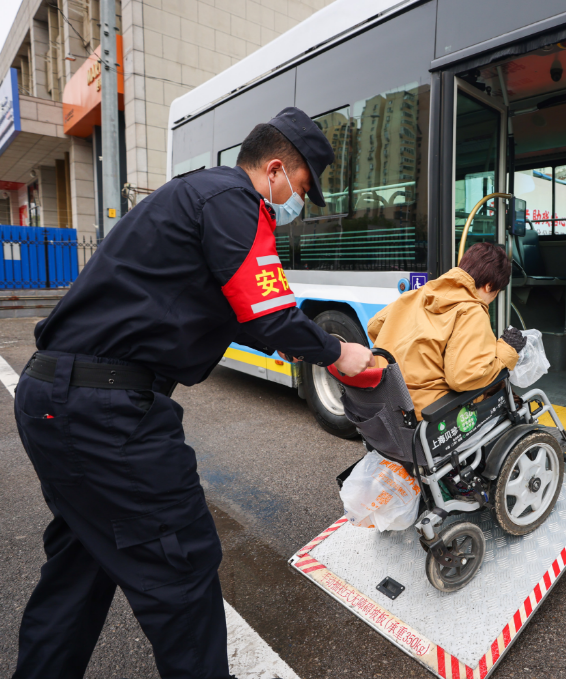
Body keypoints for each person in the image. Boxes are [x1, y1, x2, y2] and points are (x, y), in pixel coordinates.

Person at [11, 107, 374, 679]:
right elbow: (268, 311)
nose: (295, 207)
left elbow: (245, 315)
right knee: (182, 572)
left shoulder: (193, 195)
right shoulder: (233, 201)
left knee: (79, 568)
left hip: (53, 399)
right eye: (302, 189)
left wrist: (289, 335)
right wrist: (340, 352)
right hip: (106, 415)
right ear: (276, 170)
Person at [367, 241, 527, 419]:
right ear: (489, 286)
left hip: (389, 399)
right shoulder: (472, 310)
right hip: (427, 412)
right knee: (498, 388)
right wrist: (506, 351)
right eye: (496, 292)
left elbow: (374, 326)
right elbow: (464, 378)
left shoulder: (421, 292)